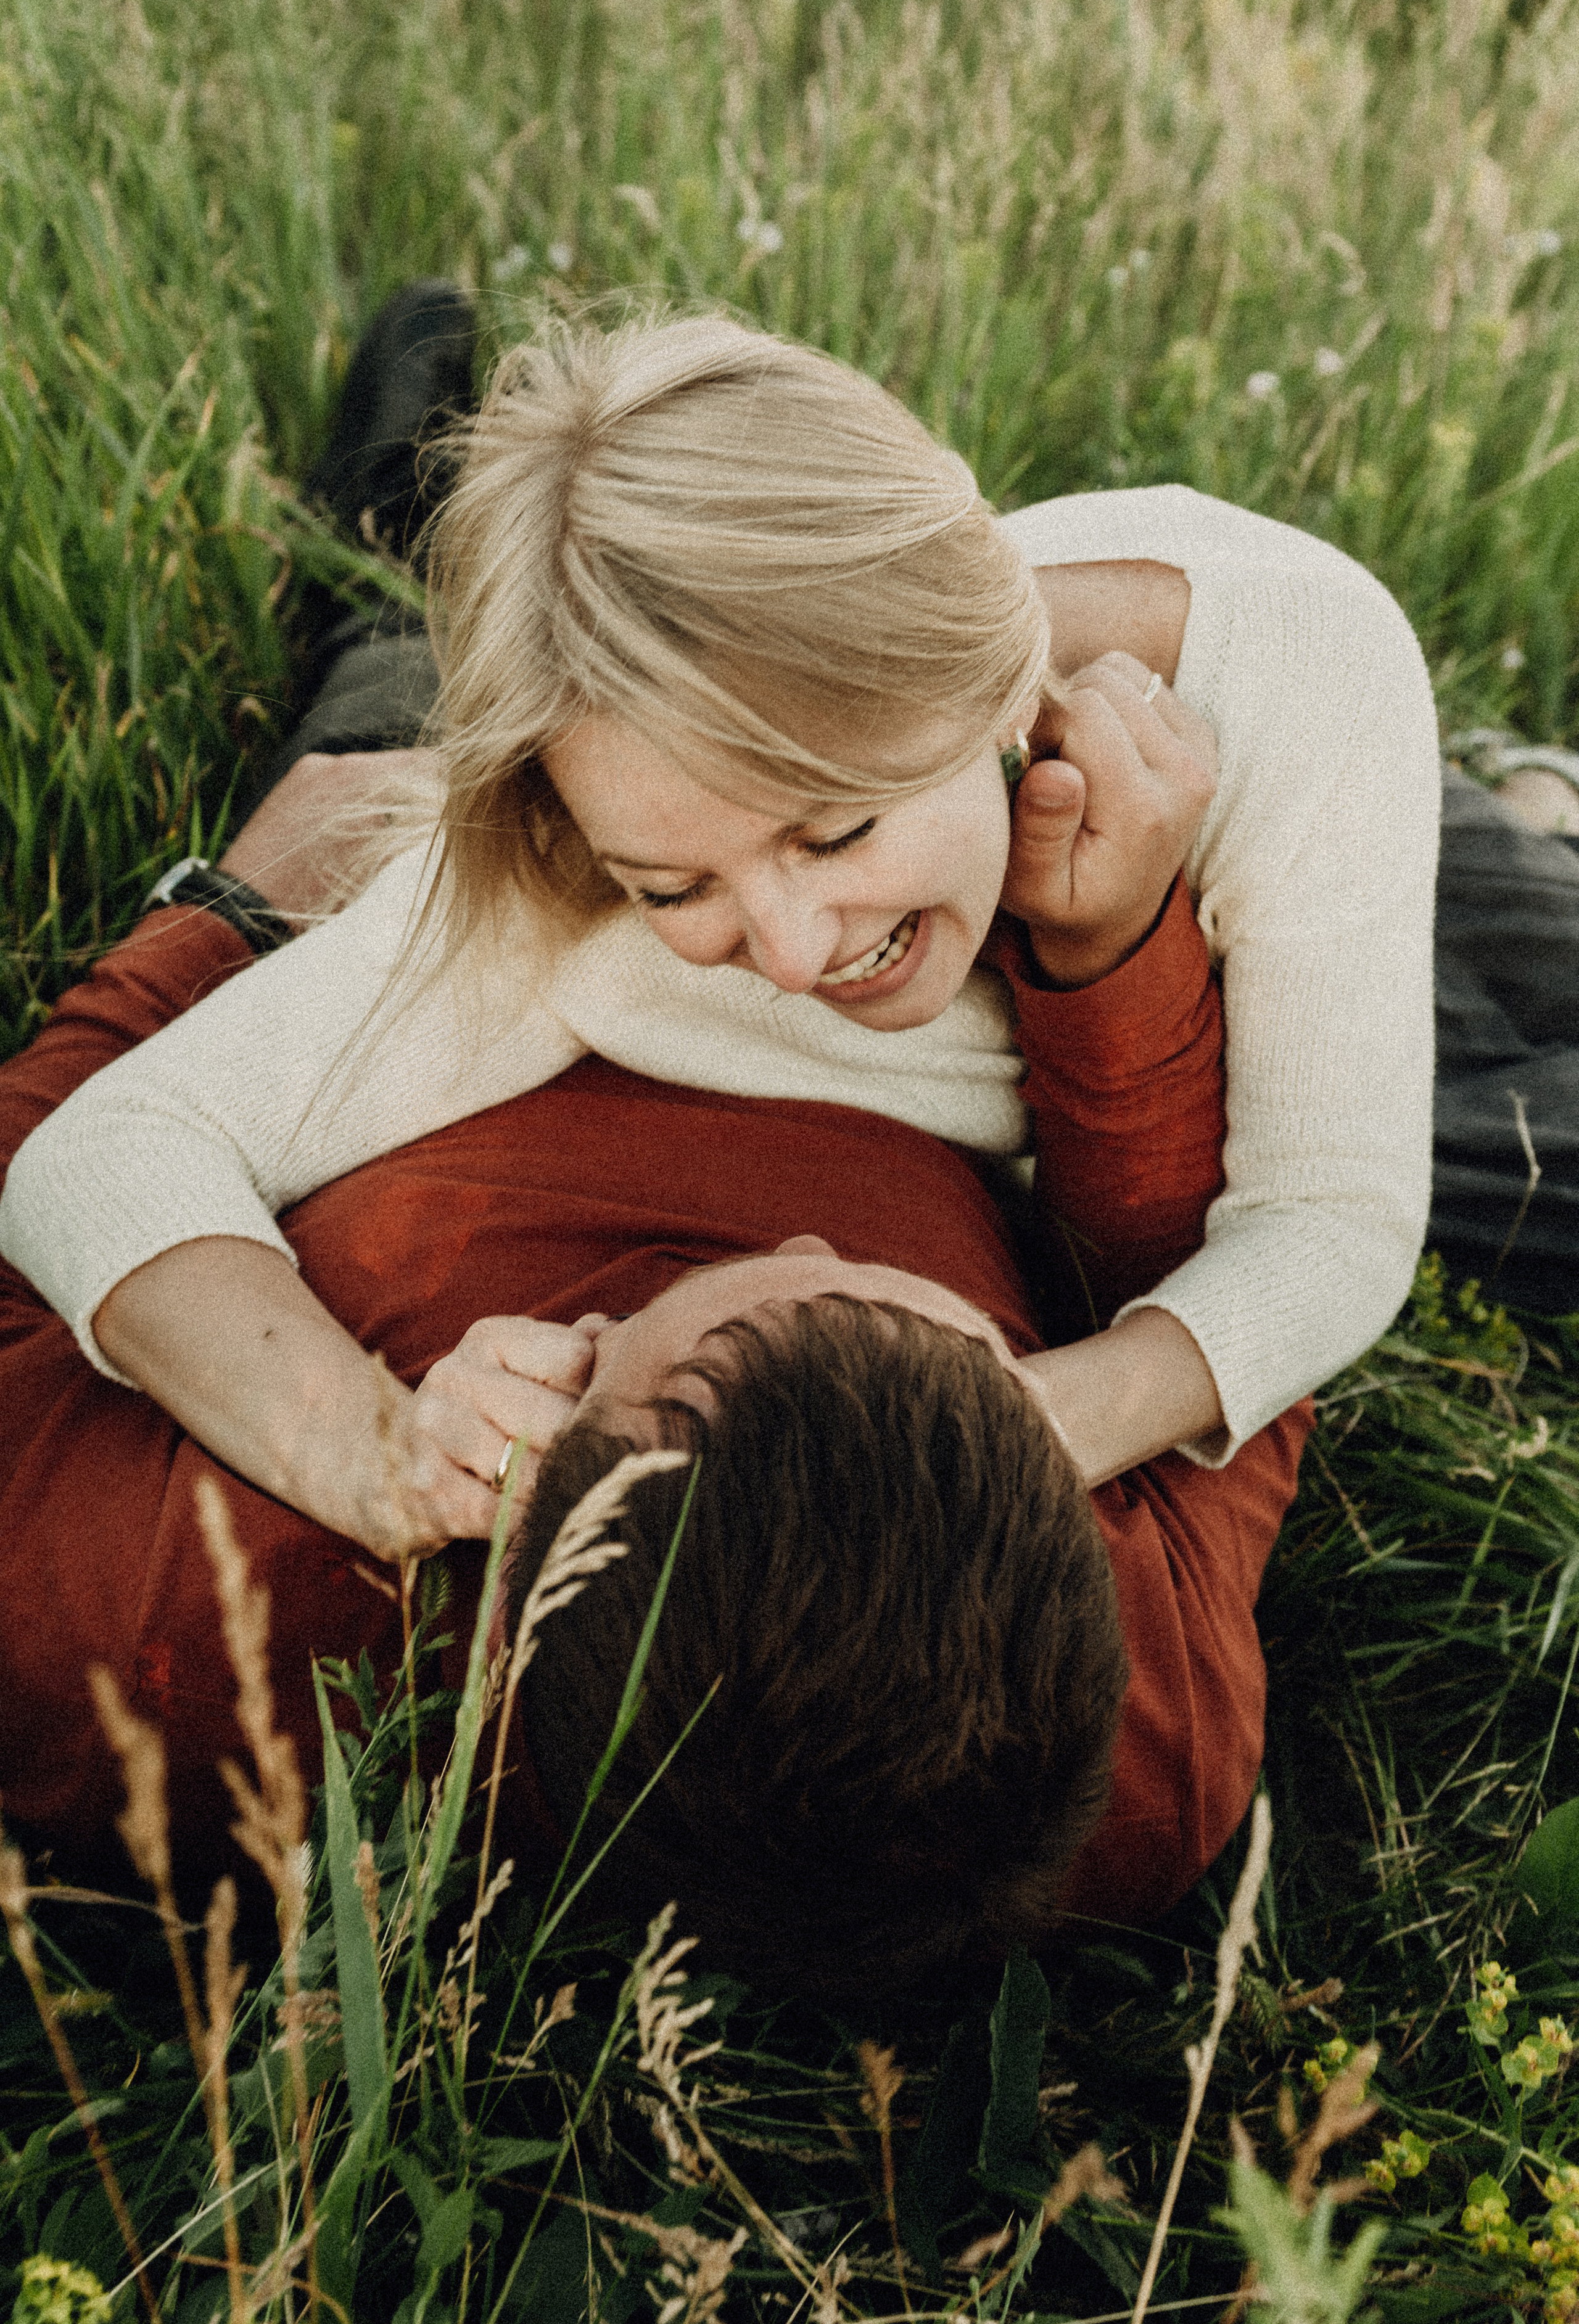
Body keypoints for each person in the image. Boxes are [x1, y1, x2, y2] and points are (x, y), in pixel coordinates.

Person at [0, 303, 1439, 1569]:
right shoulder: (569, 870)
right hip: (470, 769)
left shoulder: (1301, 679)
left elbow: (1329, 1216)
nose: (795, 954)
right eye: (675, 886)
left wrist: (1047, 1418)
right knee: (382, 703)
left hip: (1302, 788)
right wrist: (373, 1452)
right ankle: (398, 477)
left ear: (1005, 676)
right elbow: (103, 1158)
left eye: (835, 832)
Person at [0, 792, 1305, 1988]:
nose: (810, 1235)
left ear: (545, 1457)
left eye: (679, 1310)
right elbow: (1217, 1288)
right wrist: (1106, 956)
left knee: (405, 692)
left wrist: (230, 913)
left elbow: (36, 1180)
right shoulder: (1147, 1747)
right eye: (943, 1326)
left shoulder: (163, 1657)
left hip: (409, 926)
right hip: (917, 982)